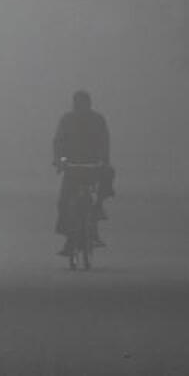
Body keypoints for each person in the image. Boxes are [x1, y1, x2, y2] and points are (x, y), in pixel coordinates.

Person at [52, 90, 114, 255]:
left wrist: (103, 160)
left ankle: (99, 205)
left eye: (83, 103)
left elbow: (104, 142)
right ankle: (69, 238)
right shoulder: (67, 120)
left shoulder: (97, 120)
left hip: (93, 166)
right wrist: (59, 160)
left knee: (108, 174)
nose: (80, 107)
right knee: (64, 203)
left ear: (89, 104)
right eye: (77, 103)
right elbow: (58, 142)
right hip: (72, 167)